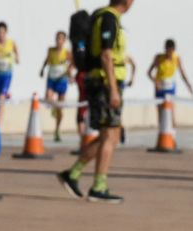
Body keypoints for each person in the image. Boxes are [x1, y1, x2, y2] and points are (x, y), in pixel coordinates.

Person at [57, 0, 134, 204]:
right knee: (109, 134)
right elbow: (107, 55)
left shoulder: (102, 16)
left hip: (102, 81)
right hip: (104, 83)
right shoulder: (109, 18)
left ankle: (74, 174)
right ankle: (98, 186)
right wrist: (113, 90)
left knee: (111, 134)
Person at [40, 31, 75, 142]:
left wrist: (70, 75)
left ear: (64, 41)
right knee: (48, 97)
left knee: (60, 106)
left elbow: (72, 64)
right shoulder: (51, 50)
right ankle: (53, 108)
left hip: (62, 79)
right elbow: (47, 60)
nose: (58, 41)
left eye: (61, 39)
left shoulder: (67, 52)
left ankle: (57, 130)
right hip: (51, 78)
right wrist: (42, 69)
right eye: (57, 38)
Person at [0, 22, 19, 104]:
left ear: (6, 32)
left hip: (6, 74)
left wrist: (17, 58)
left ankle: (0, 116)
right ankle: (6, 96)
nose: (0, 34)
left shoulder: (11, 43)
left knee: (1, 97)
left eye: (2, 32)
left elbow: (16, 50)